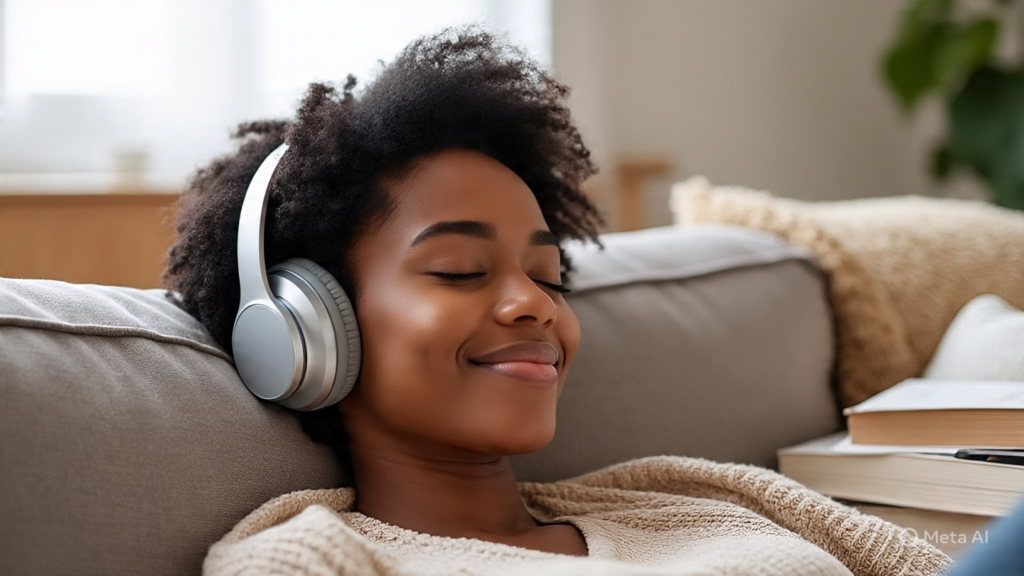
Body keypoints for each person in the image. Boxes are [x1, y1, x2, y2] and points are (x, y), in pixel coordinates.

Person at [165, 27, 950, 575]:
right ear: (307, 329)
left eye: (548, 277)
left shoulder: (693, 498)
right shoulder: (312, 559)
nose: (534, 306)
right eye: (461, 270)